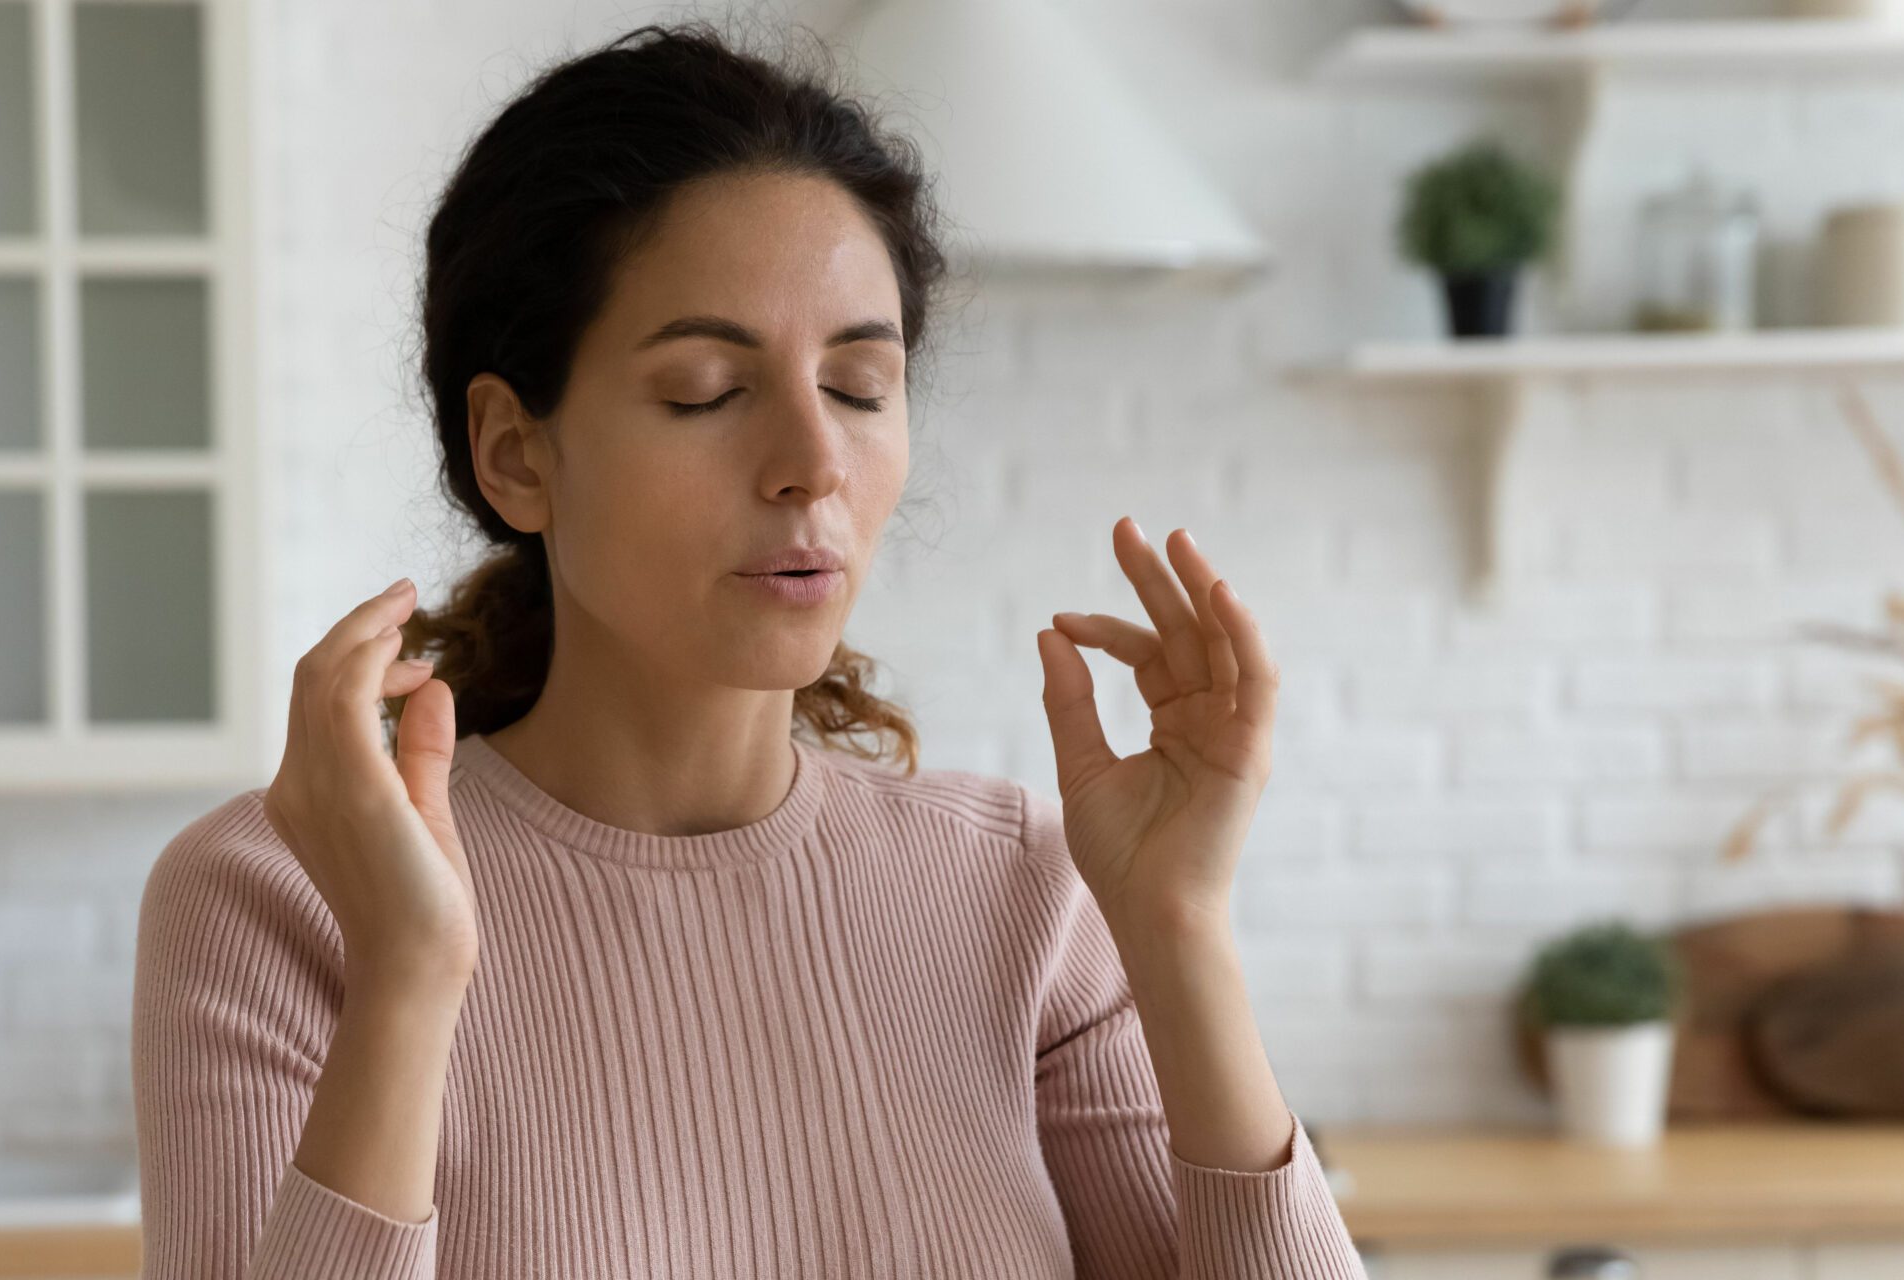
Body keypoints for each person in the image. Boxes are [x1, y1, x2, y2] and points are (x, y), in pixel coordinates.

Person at [131, 19, 1364, 1279]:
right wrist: (405, 974)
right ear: (516, 451)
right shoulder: (279, 897)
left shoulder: (1027, 896)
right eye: (707, 390)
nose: (813, 461)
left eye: (859, 386)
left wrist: (1177, 924)